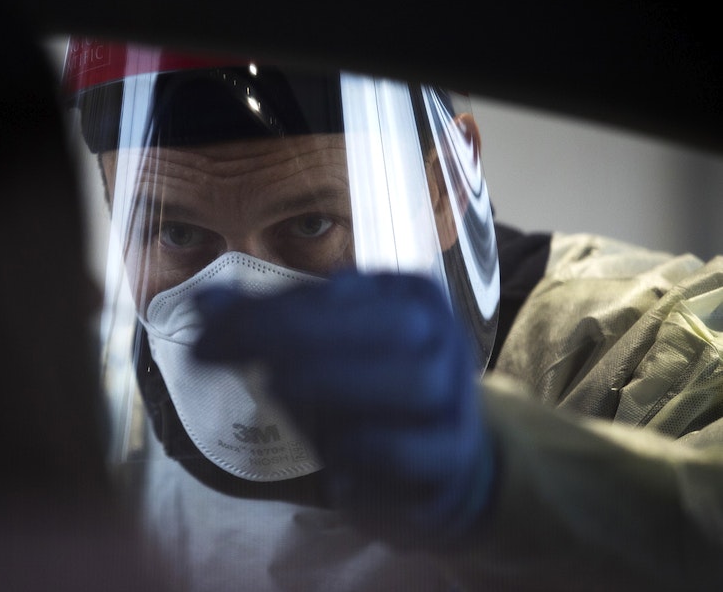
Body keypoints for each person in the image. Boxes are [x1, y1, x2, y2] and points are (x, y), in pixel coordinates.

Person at [61, 38, 723, 591]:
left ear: (446, 184)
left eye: (312, 222)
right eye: (176, 233)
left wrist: (507, 479)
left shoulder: (657, 348)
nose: (243, 287)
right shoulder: (110, 419)